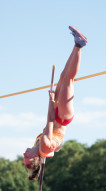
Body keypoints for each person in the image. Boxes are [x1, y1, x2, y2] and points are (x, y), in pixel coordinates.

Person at [23, 26, 87, 181]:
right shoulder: (43, 147)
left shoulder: (41, 149)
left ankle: (76, 44)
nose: (24, 154)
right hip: (62, 117)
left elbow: (54, 150)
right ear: (35, 158)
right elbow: (50, 121)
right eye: (27, 158)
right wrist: (51, 101)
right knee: (68, 80)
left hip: (58, 114)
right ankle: (80, 45)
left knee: (63, 75)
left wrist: (52, 150)